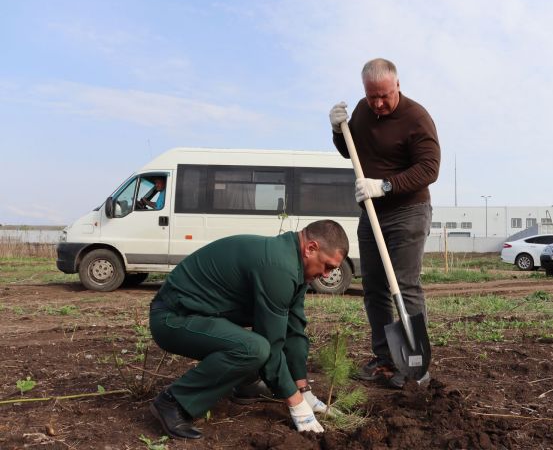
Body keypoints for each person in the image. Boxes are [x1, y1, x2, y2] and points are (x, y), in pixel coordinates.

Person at [148, 220, 349, 439]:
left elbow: (294, 329)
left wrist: (303, 389)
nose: (328, 275)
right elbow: (271, 342)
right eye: (328, 266)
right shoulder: (279, 266)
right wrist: (296, 403)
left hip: (205, 315)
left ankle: (247, 384)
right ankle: (173, 402)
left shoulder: (295, 265)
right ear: (310, 248)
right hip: (173, 318)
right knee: (254, 348)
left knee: (261, 344)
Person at [329, 58, 440, 388]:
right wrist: (338, 131)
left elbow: (429, 169)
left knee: (403, 286)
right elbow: (350, 152)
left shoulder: (416, 118)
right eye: (371, 95)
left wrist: (385, 185)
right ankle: (385, 360)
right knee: (374, 287)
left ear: (397, 85)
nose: (377, 103)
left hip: (408, 211)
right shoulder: (364, 111)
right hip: (372, 214)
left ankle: (414, 365)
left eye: (384, 95)